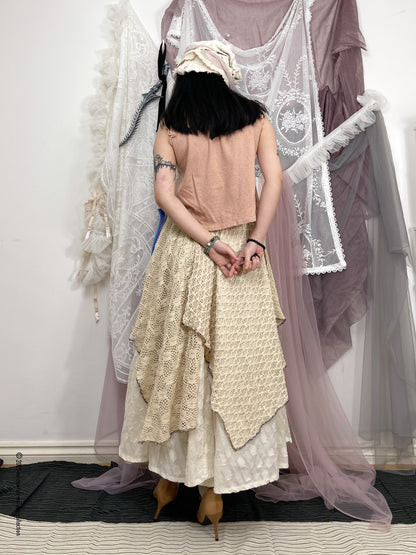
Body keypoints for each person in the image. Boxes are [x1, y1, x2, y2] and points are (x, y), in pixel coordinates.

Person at [118, 40, 291, 541]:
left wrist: (208, 242)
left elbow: (164, 194)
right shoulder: (256, 119)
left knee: (180, 366)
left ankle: (169, 482)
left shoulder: (171, 127)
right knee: (231, 368)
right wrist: (255, 240)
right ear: (225, 76)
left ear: (186, 80)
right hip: (242, 255)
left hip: (187, 253)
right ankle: (214, 492)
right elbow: (274, 181)